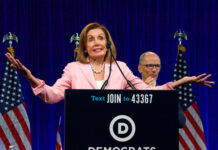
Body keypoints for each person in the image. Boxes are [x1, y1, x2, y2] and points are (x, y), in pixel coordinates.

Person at [5, 22, 214, 104]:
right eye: (91, 39)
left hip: (115, 134)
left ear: (107, 43)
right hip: (83, 134)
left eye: (101, 38)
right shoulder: (74, 69)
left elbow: (146, 92)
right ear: (85, 47)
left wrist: (180, 82)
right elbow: (52, 96)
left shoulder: (121, 68)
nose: (97, 42)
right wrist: (30, 78)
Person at [138, 51, 186, 127]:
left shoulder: (168, 93)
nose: (154, 70)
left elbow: (181, 122)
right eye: (150, 65)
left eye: (157, 66)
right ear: (140, 68)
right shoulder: (131, 91)